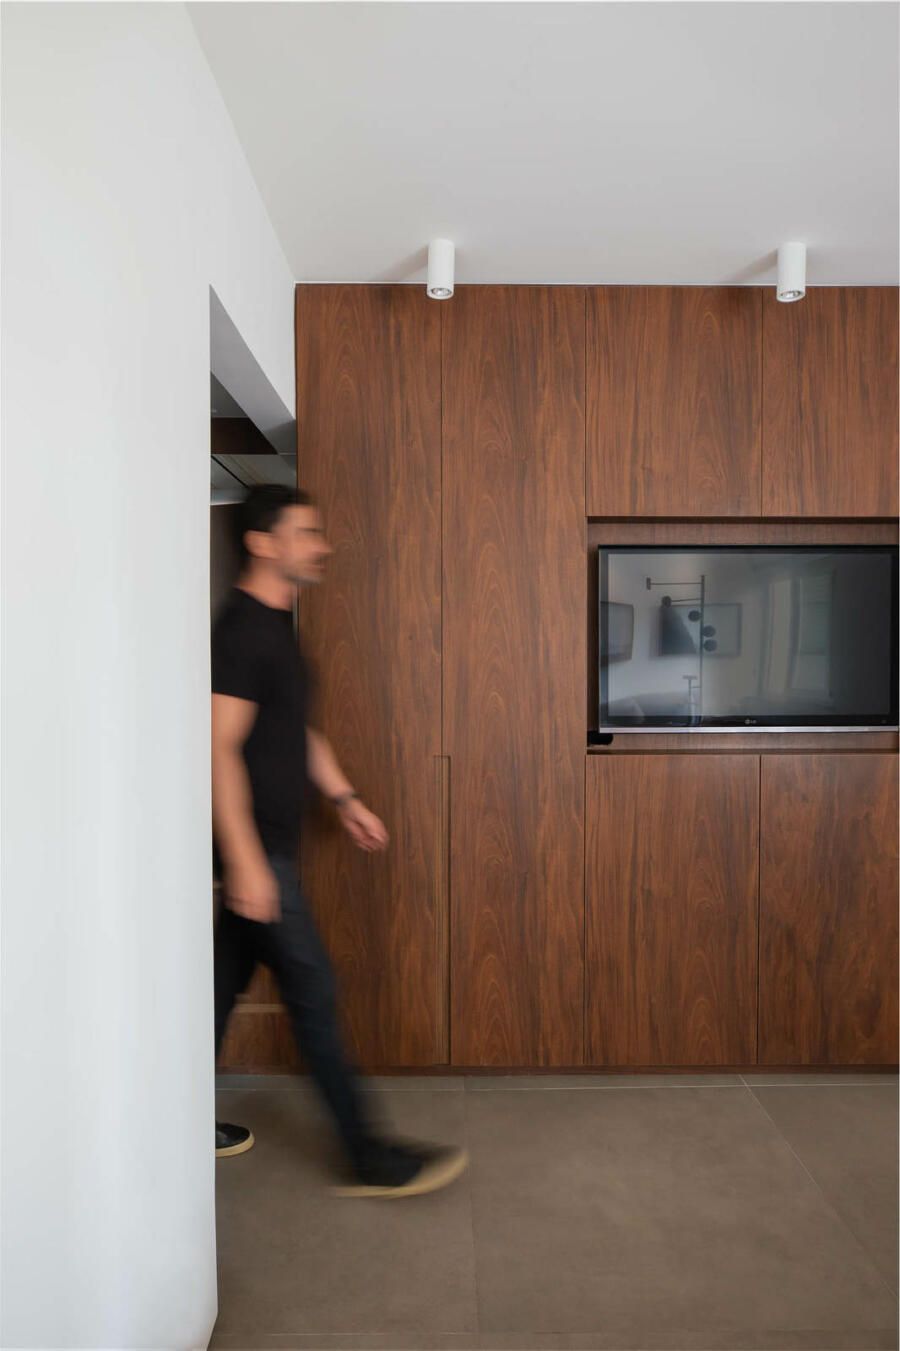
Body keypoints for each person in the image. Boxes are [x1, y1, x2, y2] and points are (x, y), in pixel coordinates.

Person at [211, 485, 467, 1198]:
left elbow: (293, 729)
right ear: (263, 543)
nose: (322, 546)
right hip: (261, 853)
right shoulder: (241, 632)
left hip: (269, 849)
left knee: (214, 993)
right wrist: (245, 861)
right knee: (314, 992)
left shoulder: (276, 626)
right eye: (306, 533)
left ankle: (163, 1121)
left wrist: (344, 798)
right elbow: (217, 748)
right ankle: (368, 1156)